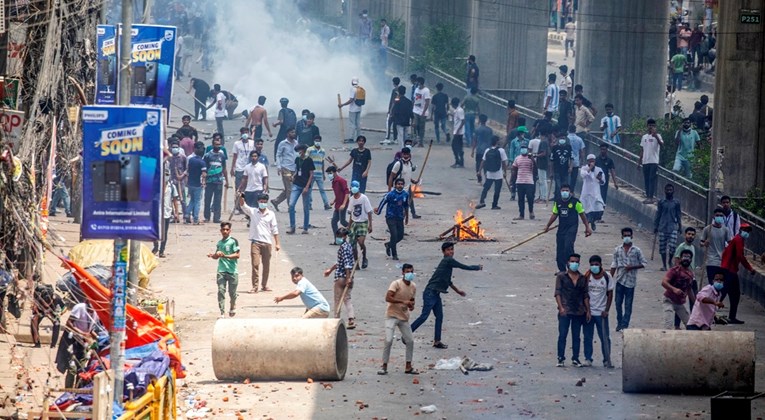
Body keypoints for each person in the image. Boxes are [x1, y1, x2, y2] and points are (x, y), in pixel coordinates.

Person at [410, 242, 482, 349]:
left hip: (435, 293)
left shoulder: (447, 263)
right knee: (424, 316)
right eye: (448, 250)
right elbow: (463, 266)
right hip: (430, 293)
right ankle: (407, 333)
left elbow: (448, 281)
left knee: (439, 317)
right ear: (443, 252)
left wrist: (458, 291)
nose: (451, 252)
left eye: (452, 249)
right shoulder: (448, 260)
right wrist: (476, 267)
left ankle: (437, 341)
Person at [378, 264, 418, 375]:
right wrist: (402, 302)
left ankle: (408, 366)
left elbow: (412, 300)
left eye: (411, 271)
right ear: (403, 273)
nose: (409, 273)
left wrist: (411, 305)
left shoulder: (413, 286)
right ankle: (384, 365)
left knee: (410, 341)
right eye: (407, 271)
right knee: (389, 340)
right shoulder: (396, 284)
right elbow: (388, 297)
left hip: (404, 317)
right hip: (392, 315)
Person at [544, 184, 592, 273]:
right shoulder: (558, 202)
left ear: (570, 192)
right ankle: (562, 269)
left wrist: (587, 227)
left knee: (568, 246)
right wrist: (548, 226)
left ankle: (571, 268)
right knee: (560, 249)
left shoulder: (575, 202)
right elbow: (555, 214)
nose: (564, 192)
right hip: (561, 228)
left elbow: (582, 214)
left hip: (572, 228)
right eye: (563, 190)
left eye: (566, 190)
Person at [554, 253, 589, 367]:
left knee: (576, 336)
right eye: (572, 261)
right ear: (568, 263)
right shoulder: (561, 276)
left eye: (576, 262)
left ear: (579, 263)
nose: (574, 264)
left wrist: (587, 310)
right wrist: (561, 307)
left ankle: (575, 358)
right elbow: (557, 293)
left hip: (578, 311)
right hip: (565, 310)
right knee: (563, 335)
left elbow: (585, 295)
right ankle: (560, 358)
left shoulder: (583, 278)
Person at [610, 227, 647, 331]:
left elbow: (644, 263)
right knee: (617, 303)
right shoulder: (617, 250)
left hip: (631, 282)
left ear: (632, 236)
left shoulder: (637, 250)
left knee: (628, 305)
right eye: (625, 235)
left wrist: (633, 267)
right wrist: (609, 279)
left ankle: (625, 324)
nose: (627, 237)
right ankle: (619, 322)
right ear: (622, 236)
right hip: (620, 280)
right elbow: (614, 264)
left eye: (628, 235)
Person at [720, 223, 757, 324]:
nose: (747, 233)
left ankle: (731, 316)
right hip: (730, 270)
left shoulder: (737, 239)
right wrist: (750, 268)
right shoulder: (738, 240)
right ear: (741, 230)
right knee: (728, 293)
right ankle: (728, 316)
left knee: (729, 293)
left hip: (728, 268)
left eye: (748, 231)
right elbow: (740, 256)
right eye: (746, 230)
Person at [54, 301, 97, 387]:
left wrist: (97, 338)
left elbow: (90, 330)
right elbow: (69, 323)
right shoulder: (80, 308)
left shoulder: (96, 313)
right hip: (73, 341)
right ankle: (68, 391)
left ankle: (77, 390)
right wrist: (81, 333)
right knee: (72, 368)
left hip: (83, 343)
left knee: (81, 369)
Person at [583, 255, 614, 368]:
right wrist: (587, 310)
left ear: (601, 265)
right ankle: (588, 358)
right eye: (592, 265)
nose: (594, 266)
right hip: (589, 313)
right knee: (587, 336)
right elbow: (584, 294)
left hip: (601, 313)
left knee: (604, 337)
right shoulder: (587, 276)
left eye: (596, 264)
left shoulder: (607, 276)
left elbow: (610, 294)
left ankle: (607, 359)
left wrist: (606, 310)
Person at [324, 227, 357, 329]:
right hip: (347, 276)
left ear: (344, 236)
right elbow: (340, 262)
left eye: (339, 236)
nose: (337, 238)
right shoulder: (347, 246)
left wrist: (348, 278)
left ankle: (336, 320)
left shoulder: (344, 248)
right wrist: (330, 270)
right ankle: (351, 319)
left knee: (338, 299)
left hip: (341, 277)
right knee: (347, 299)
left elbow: (347, 265)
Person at [207, 222, 240, 318]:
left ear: (230, 230)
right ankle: (222, 312)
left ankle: (233, 305)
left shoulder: (233, 241)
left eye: (227, 229)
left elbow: (237, 255)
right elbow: (216, 257)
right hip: (221, 270)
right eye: (223, 230)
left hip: (232, 271)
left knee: (232, 293)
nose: (225, 231)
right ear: (220, 231)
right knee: (221, 291)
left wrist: (225, 255)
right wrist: (213, 255)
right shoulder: (219, 243)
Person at [375, 178, 409, 260]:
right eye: (398, 184)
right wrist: (378, 211)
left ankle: (389, 245)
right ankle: (394, 254)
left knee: (400, 236)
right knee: (394, 235)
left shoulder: (405, 194)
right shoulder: (390, 194)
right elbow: (383, 202)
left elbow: (406, 206)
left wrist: (407, 217)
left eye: (401, 184)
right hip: (390, 217)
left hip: (400, 217)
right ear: (395, 185)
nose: (400, 185)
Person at [661, 249, 696, 329]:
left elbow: (689, 289)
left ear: (691, 260)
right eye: (684, 256)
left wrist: (696, 303)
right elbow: (664, 282)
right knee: (668, 325)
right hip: (668, 300)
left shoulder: (690, 274)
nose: (686, 259)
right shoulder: (674, 270)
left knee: (690, 326)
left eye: (688, 257)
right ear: (680, 259)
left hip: (679, 303)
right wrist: (674, 289)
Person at [152, 169, 180, 258]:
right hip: (156, 212)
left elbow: (175, 200)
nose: (166, 176)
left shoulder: (172, 187)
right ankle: (155, 246)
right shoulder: (156, 186)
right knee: (155, 231)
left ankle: (162, 250)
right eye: (164, 174)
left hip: (166, 213)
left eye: (167, 174)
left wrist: (176, 212)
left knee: (164, 233)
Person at [288, 144, 315, 235]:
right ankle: (292, 226)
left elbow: (311, 174)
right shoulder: (297, 159)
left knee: (305, 207)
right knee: (291, 205)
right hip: (297, 184)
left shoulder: (309, 160)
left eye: (300, 150)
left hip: (305, 185)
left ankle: (305, 227)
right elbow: (297, 170)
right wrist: (293, 176)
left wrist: (307, 187)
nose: (299, 152)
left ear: (304, 150)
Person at [655, 184, 683, 271]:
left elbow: (678, 215)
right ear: (665, 191)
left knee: (672, 247)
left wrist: (680, 226)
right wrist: (655, 226)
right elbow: (658, 214)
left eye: (670, 190)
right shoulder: (661, 202)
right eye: (667, 190)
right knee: (662, 248)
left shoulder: (676, 203)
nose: (669, 191)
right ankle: (664, 265)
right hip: (662, 227)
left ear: (673, 191)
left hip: (673, 227)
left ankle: (670, 261)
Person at [475, 136, 508, 210]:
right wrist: (505, 172)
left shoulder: (487, 150)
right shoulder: (501, 150)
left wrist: (479, 171)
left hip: (489, 173)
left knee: (486, 188)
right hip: (498, 174)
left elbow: (483, 161)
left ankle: (482, 201)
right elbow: (504, 163)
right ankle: (494, 205)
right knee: (497, 190)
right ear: (497, 142)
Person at [387, 147, 420, 218]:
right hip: (400, 189)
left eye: (407, 154)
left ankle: (413, 213)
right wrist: (389, 190)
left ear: (409, 155)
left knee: (410, 200)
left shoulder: (410, 164)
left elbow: (407, 175)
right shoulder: (398, 164)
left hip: (408, 186)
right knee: (399, 206)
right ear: (402, 154)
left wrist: (413, 181)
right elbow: (391, 176)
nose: (406, 156)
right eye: (404, 154)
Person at [347, 180, 373, 269]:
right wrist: (349, 226)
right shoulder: (351, 199)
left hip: (363, 222)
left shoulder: (364, 198)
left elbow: (369, 212)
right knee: (353, 245)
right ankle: (356, 262)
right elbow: (351, 213)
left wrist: (370, 225)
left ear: (358, 188)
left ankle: (364, 257)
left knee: (361, 242)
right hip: (354, 222)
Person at [271, 128, 298, 211]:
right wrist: (279, 167)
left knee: (289, 188)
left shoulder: (296, 143)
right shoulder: (283, 143)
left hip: (294, 168)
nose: (294, 133)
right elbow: (278, 155)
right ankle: (291, 207)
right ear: (287, 134)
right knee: (290, 188)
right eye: (292, 132)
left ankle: (276, 201)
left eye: (294, 132)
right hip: (286, 168)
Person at [203, 136, 228, 223]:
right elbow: (204, 169)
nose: (218, 146)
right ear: (213, 145)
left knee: (217, 200)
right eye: (216, 144)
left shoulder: (222, 156)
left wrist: (227, 181)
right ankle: (207, 217)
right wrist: (203, 180)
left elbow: (224, 168)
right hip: (209, 181)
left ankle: (216, 218)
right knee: (207, 199)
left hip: (219, 181)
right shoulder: (207, 156)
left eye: (219, 145)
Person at [31, 284, 64, 348]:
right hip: (40, 309)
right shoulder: (37, 299)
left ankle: (53, 345)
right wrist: (35, 331)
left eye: (48, 303)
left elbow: (64, 308)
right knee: (33, 321)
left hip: (52, 310)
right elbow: (35, 317)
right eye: (45, 303)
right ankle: (37, 343)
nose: (47, 305)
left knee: (57, 323)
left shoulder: (57, 298)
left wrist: (59, 313)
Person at [638, 119, 663, 203]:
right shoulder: (644, 137)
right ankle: (648, 195)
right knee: (646, 179)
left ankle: (651, 197)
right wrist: (639, 161)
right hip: (645, 161)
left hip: (654, 161)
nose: (651, 127)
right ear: (647, 126)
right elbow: (642, 149)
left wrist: (655, 136)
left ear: (655, 127)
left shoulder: (658, 135)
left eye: (653, 125)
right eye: (649, 125)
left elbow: (662, 144)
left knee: (652, 179)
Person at [579, 154, 605, 231]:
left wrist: (600, 179)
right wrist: (590, 168)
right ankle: (588, 224)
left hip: (596, 193)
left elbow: (603, 181)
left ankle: (593, 221)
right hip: (586, 193)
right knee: (587, 210)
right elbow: (583, 175)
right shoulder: (584, 168)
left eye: (593, 161)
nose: (591, 162)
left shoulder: (599, 169)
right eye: (590, 161)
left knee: (600, 209)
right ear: (587, 161)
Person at [231, 128, 254, 212]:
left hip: (249, 168)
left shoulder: (252, 143)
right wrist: (232, 168)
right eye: (244, 132)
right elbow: (234, 156)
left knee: (248, 188)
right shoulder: (237, 144)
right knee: (239, 188)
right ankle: (237, 207)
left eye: (247, 132)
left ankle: (245, 206)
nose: (245, 134)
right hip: (239, 168)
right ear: (241, 134)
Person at [511, 143, 536, 220]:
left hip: (529, 181)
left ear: (527, 149)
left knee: (530, 197)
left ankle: (531, 212)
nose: (523, 149)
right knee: (520, 199)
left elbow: (535, 169)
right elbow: (514, 170)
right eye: (522, 148)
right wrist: (512, 180)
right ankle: (521, 215)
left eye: (525, 148)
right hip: (520, 181)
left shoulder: (531, 159)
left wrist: (532, 159)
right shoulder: (517, 158)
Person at [326, 166, 349, 244]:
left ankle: (352, 229)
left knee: (343, 221)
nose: (329, 175)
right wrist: (334, 201)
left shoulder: (341, 181)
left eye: (330, 173)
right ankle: (337, 240)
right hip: (338, 204)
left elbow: (346, 193)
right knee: (334, 222)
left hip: (342, 204)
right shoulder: (334, 181)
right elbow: (338, 193)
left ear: (334, 172)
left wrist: (344, 204)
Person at [185, 141, 207, 225]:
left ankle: (187, 214)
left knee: (192, 200)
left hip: (190, 183)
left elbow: (188, 170)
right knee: (197, 201)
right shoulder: (202, 162)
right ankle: (196, 219)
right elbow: (204, 174)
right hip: (198, 184)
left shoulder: (191, 160)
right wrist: (203, 183)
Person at [307, 136, 330, 210]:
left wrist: (323, 174)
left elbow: (322, 162)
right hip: (311, 173)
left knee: (322, 190)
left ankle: (326, 204)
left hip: (319, 173)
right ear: (314, 141)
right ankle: (309, 204)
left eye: (318, 140)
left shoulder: (323, 151)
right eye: (316, 140)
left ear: (320, 141)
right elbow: (306, 160)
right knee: (309, 190)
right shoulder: (310, 149)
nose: (317, 142)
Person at [339, 77, 365, 142]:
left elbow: (351, 100)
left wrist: (342, 105)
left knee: (352, 124)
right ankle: (358, 138)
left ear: (352, 82)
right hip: (359, 108)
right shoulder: (360, 89)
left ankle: (351, 138)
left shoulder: (352, 89)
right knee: (358, 123)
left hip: (353, 109)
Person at [550, 133, 572, 200]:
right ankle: (558, 199)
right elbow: (551, 161)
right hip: (557, 169)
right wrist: (551, 172)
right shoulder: (554, 148)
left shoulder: (569, 147)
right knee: (558, 186)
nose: (562, 139)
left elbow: (571, 158)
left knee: (565, 185)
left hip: (565, 170)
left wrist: (571, 167)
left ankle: (565, 199)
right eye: (561, 138)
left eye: (563, 138)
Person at [471, 114, 493, 179]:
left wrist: (472, 151)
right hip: (487, 150)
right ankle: (487, 177)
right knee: (486, 164)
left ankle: (479, 178)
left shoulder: (477, 129)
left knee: (478, 164)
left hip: (479, 150)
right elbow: (492, 140)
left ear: (480, 120)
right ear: (486, 121)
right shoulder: (489, 130)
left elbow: (475, 141)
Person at [412, 76, 431, 147]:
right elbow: (415, 99)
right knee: (415, 125)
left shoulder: (426, 90)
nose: (416, 83)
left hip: (422, 111)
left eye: (417, 82)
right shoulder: (416, 89)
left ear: (420, 82)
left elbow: (427, 102)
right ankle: (415, 139)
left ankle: (421, 142)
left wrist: (423, 112)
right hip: (416, 110)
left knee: (421, 127)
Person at [567, 125, 585, 190]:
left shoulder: (566, 138)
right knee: (573, 178)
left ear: (568, 130)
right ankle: (571, 191)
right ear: (575, 130)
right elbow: (582, 151)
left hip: (567, 161)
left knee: (566, 177)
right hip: (576, 161)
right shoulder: (579, 139)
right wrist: (581, 161)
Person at [450, 97, 466, 168]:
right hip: (456, 131)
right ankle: (459, 161)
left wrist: (457, 130)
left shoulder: (459, 110)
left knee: (455, 146)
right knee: (458, 147)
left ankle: (458, 161)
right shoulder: (457, 110)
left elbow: (463, 121)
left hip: (458, 132)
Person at [385, 77, 401, 142]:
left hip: (393, 109)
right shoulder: (400, 90)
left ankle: (387, 137)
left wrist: (390, 110)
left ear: (394, 83)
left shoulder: (395, 90)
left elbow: (393, 101)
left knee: (388, 123)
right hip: (398, 110)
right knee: (395, 124)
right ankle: (395, 138)